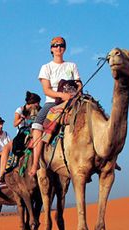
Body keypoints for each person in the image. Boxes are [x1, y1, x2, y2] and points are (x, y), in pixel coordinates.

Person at [29, 36, 82, 176]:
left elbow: (78, 82)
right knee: (37, 126)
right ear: (51, 49)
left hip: (73, 99)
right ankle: (35, 164)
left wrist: (77, 91)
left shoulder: (72, 65)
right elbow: (46, 90)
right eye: (56, 45)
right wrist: (62, 96)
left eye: (61, 45)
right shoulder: (46, 67)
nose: (59, 48)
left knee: (95, 111)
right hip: (53, 102)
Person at [0, 91, 41, 178]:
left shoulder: (39, 110)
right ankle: (2, 172)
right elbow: (15, 124)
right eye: (37, 103)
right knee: (6, 148)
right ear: (32, 103)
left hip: (34, 131)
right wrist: (22, 118)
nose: (38, 105)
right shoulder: (20, 110)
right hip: (22, 133)